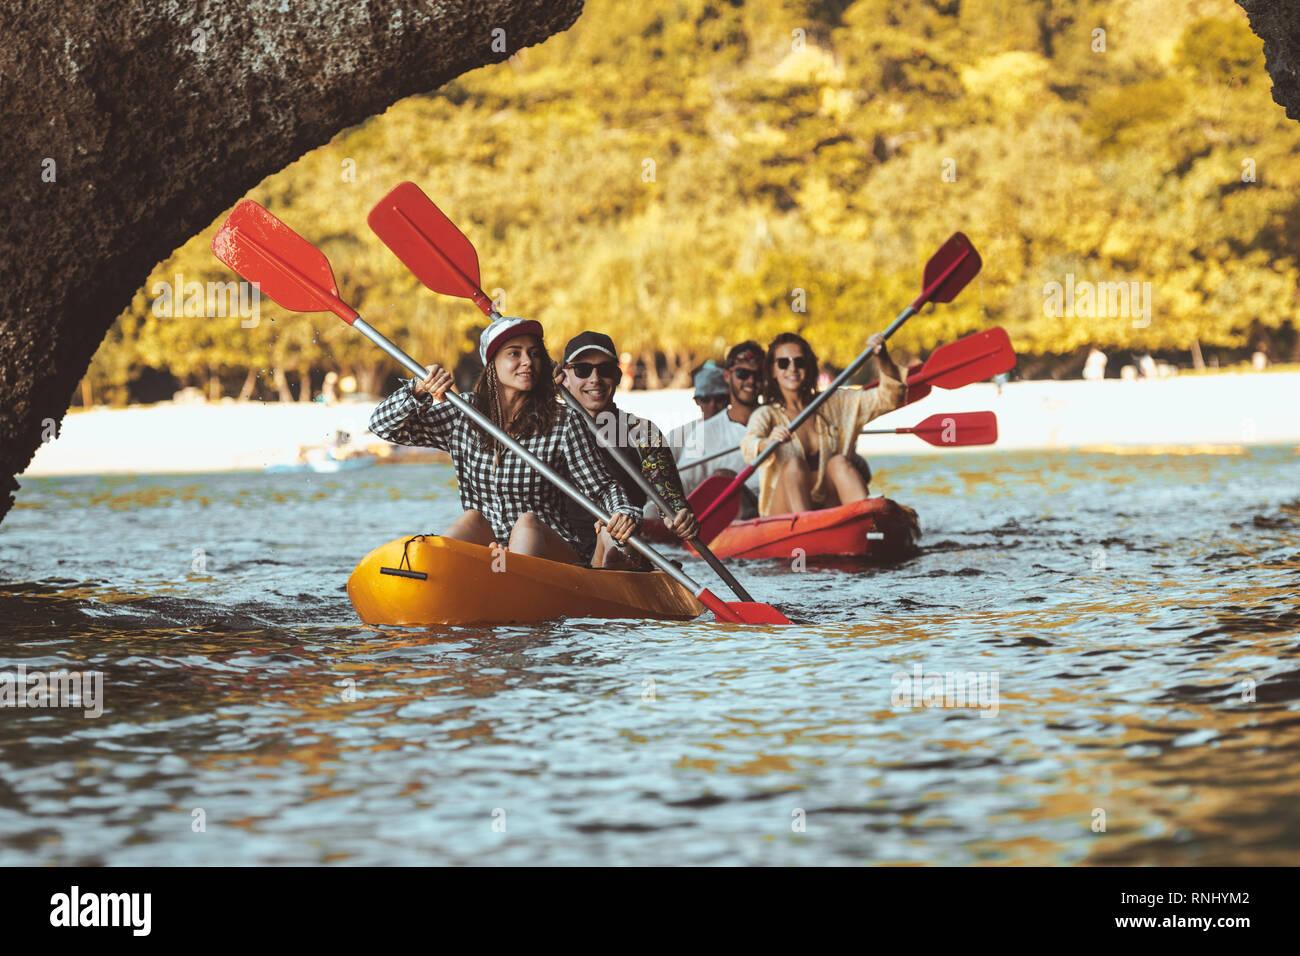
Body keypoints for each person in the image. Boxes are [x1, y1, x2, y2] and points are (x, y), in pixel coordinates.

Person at [368, 316, 641, 567]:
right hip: (491, 550)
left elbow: (603, 487)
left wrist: (623, 512)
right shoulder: (463, 412)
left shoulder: (563, 420)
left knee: (526, 522)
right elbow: (381, 425)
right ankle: (439, 574)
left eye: (534, 354)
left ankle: (513, 590)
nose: (527, 362)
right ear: (492, 364)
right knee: (473, 518)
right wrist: (418, 389)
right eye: (514, 353)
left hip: (553, 555)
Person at [558, 330, 699, 568]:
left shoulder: (643, 433)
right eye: (582, 370)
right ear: (564, 378)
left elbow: (671, 503)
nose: (595, 379)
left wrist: (682, 519)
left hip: (622, 545)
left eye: (605, 370)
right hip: (559, 553)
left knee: (612, 533)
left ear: (618, 377)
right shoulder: (545, 429)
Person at [741, 331, 905, 517]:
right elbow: (748, 447)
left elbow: (890, 398)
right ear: (773, 371)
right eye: (783, 363)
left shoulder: (835, 402)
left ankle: (867, 522)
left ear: (808, 366)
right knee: (794, 465)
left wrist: (882, 357)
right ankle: (806, 530)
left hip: (829, 504)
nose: (792, 368)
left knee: (838, 462)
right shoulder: (765, 415)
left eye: (799, 362)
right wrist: (767, 442)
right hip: (783, 514)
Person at [666, 340, 765, 519]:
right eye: (743, 373)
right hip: (728, 525)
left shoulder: (780, 421)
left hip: (772, 514)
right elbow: (681, 486)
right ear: (727, 376)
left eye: (758, 375)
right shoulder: (702, 433)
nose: (751, 381)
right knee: (724, 478)